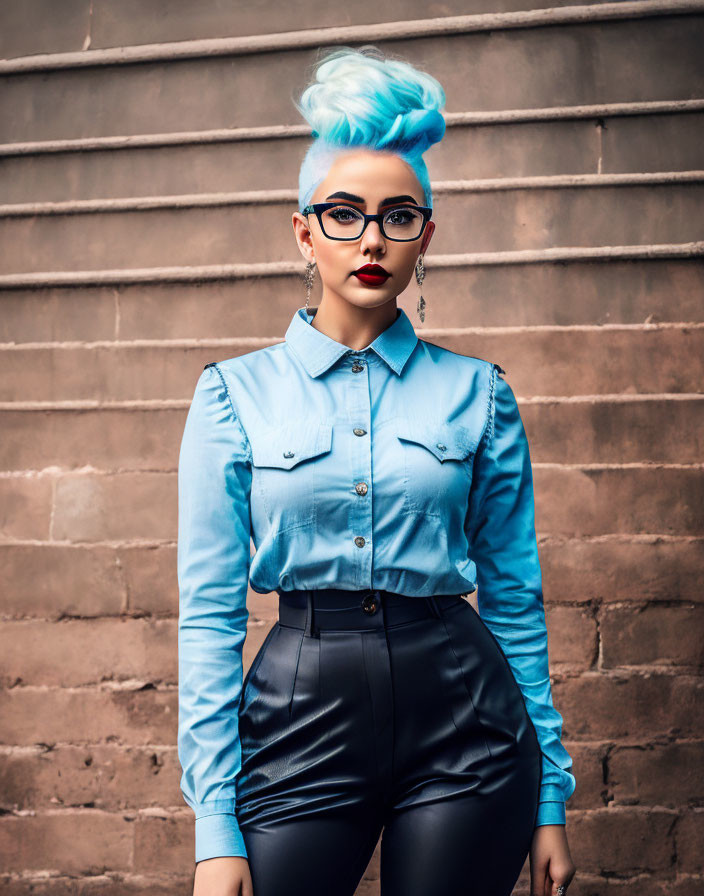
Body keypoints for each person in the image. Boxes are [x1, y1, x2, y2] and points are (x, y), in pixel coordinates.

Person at [177, 44, 577, 896]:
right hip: (298, 721)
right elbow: (208, 620)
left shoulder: (481, 393)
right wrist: (216, 826)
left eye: (399, 217)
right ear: (304, 231)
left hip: (469, 728)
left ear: (425, 236)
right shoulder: (230, 397)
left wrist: (549, 797)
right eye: (344, 214)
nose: (371, 239)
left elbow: (516, 599)